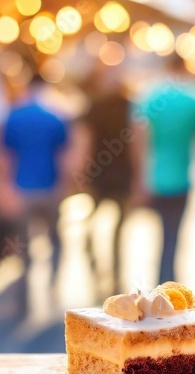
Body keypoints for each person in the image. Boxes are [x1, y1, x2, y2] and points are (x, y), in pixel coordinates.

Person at [131, 56, 195, 283]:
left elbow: (137, 139)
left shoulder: (149, 97)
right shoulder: (194, 100)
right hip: (181, 179)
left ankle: (160, 282)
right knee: (172, 237)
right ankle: (167, 282)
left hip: (153, 178)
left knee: (150, 236)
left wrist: (139, 178)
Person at [1, 74, 69, 314]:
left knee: (23, 246)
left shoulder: (13, 116)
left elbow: (4, 156)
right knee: (55, 241)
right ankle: (53, 287)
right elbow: (64, 156)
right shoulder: (56, 116)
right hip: (50, 187)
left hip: (22, 189)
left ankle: (23, 298)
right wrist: (65, 185)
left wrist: (5, 187)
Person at [74, 64, 133, 297]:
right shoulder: (129, 107)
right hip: (121, 174)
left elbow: (84, 143)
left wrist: (80, 172)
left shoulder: (94, 108)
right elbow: (139, 143)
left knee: (93, 223)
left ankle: (97, 266)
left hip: (99, 174)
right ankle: (115, 275)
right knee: (118, 228)